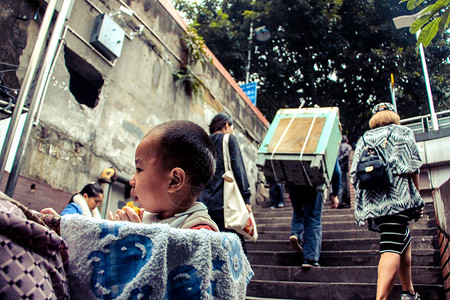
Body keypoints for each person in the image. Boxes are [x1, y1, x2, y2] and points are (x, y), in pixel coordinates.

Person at [350, 102, 424, 300]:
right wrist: (417, 198)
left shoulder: (364, 138)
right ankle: (380, 298)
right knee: (391, 247)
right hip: (398, 199)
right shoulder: (404, 133)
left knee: (403, 239)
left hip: (375, 202)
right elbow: (413, 166)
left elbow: (354, 175)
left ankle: (408, 291)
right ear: (393, 115)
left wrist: (362, 205)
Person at [109, 120, 219, 231]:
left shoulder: (198, 231)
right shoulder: (145, 217)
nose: (131, 180)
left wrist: (133, 238)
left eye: (139, 169)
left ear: (174, 181)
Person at [197, 113, 252, 251]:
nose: (232, 131)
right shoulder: (229, 139)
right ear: (226, 125)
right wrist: (246, 197)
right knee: (236, 247)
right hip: (226, 205)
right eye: (232, 127)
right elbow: (238, 169)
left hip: (203, 205)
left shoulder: (202, 143)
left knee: (211, 247)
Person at [288, 160, 341, 268]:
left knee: (298, 212)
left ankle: (295, 234)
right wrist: (335, 193)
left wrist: (288, 189)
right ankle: (310, 259)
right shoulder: (326, 143)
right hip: (314, 182)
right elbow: (336, 172)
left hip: (293, 183)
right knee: (313, 219)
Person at [337, 135, 352, 209]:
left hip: (339, 166)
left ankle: (339, 199)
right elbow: (346, 155)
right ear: (347, 140)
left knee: (340, 183)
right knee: (343, 184)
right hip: (344, 166)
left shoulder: (338, 146)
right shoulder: (348, 147)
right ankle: (341, 200)